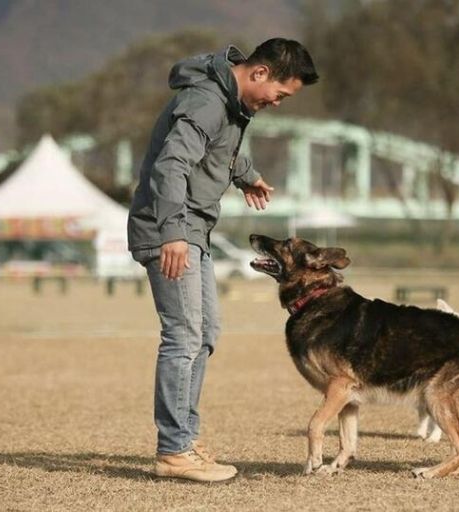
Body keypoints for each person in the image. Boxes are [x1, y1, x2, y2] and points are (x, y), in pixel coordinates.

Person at [127, 38, 318, 482]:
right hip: (172, 229)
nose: (277, 102)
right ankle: (173, 451)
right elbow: (171, 166)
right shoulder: (207, 101)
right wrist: (172, 231)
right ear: (259, 74)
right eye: (280, 94)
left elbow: (218, 147)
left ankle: (185, 439)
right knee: (184, 334)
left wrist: (244, 173)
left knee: (205, 331)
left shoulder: (230, 103)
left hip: (193, 229)